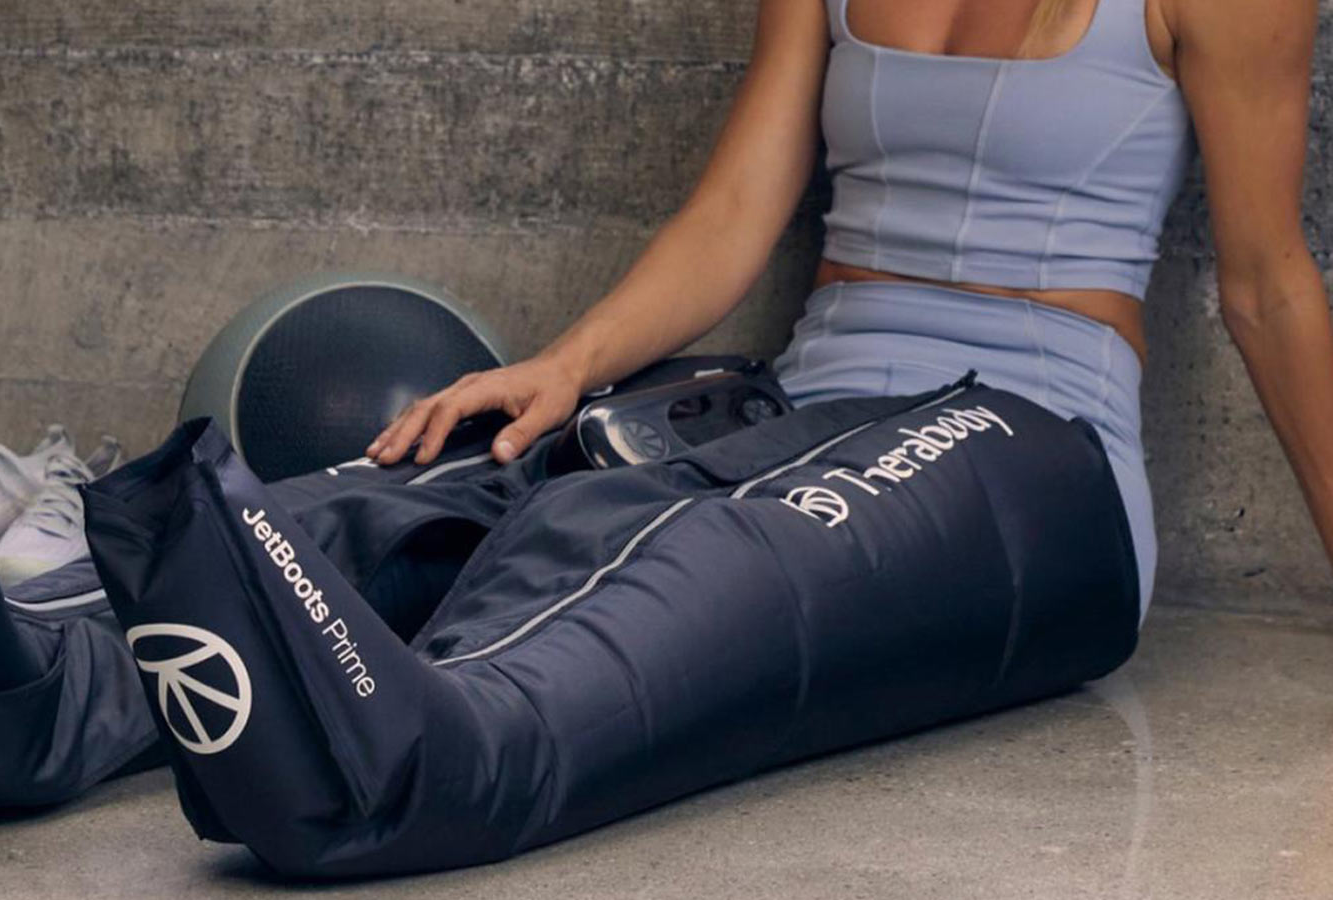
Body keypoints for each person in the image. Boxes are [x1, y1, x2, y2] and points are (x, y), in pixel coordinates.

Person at [365, 0, 1332, 619]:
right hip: (812, 418)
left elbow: (1268, 286)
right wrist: (566, 368)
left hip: (1040, 444)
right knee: (505, 497)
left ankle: (417, 744)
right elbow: (732, 214)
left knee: (696, 575)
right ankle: (293, 590)